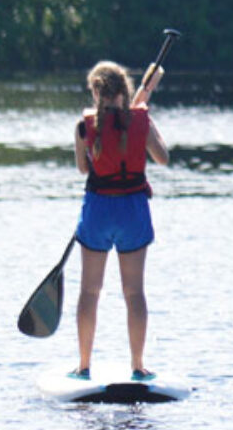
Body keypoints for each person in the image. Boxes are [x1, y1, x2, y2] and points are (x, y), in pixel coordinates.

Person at [70, 61, 168, 381]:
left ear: (96, 94)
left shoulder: (84, 127)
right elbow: (162, 157)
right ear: (125, 93)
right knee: (134, 292)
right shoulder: (141, 120)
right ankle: (138, 366)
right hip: (132, 212)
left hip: (99, 210)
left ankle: (84, 366)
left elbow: (85, 169)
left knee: (89, 291)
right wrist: (144, 119)